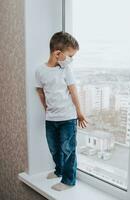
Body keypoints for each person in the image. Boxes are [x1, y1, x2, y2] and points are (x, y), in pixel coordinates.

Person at [35, 31, 88, 191]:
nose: (71, 60)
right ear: (58, 53)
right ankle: (59, 171)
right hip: (51, 119)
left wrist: (79, 112)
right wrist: (46, 108)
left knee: (68, 149)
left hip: (68, 118)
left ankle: (68, 180)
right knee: (54, 148)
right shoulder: (40, 71)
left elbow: (73, 91)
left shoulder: (66, 70)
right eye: (70, 56)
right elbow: (40, 91)